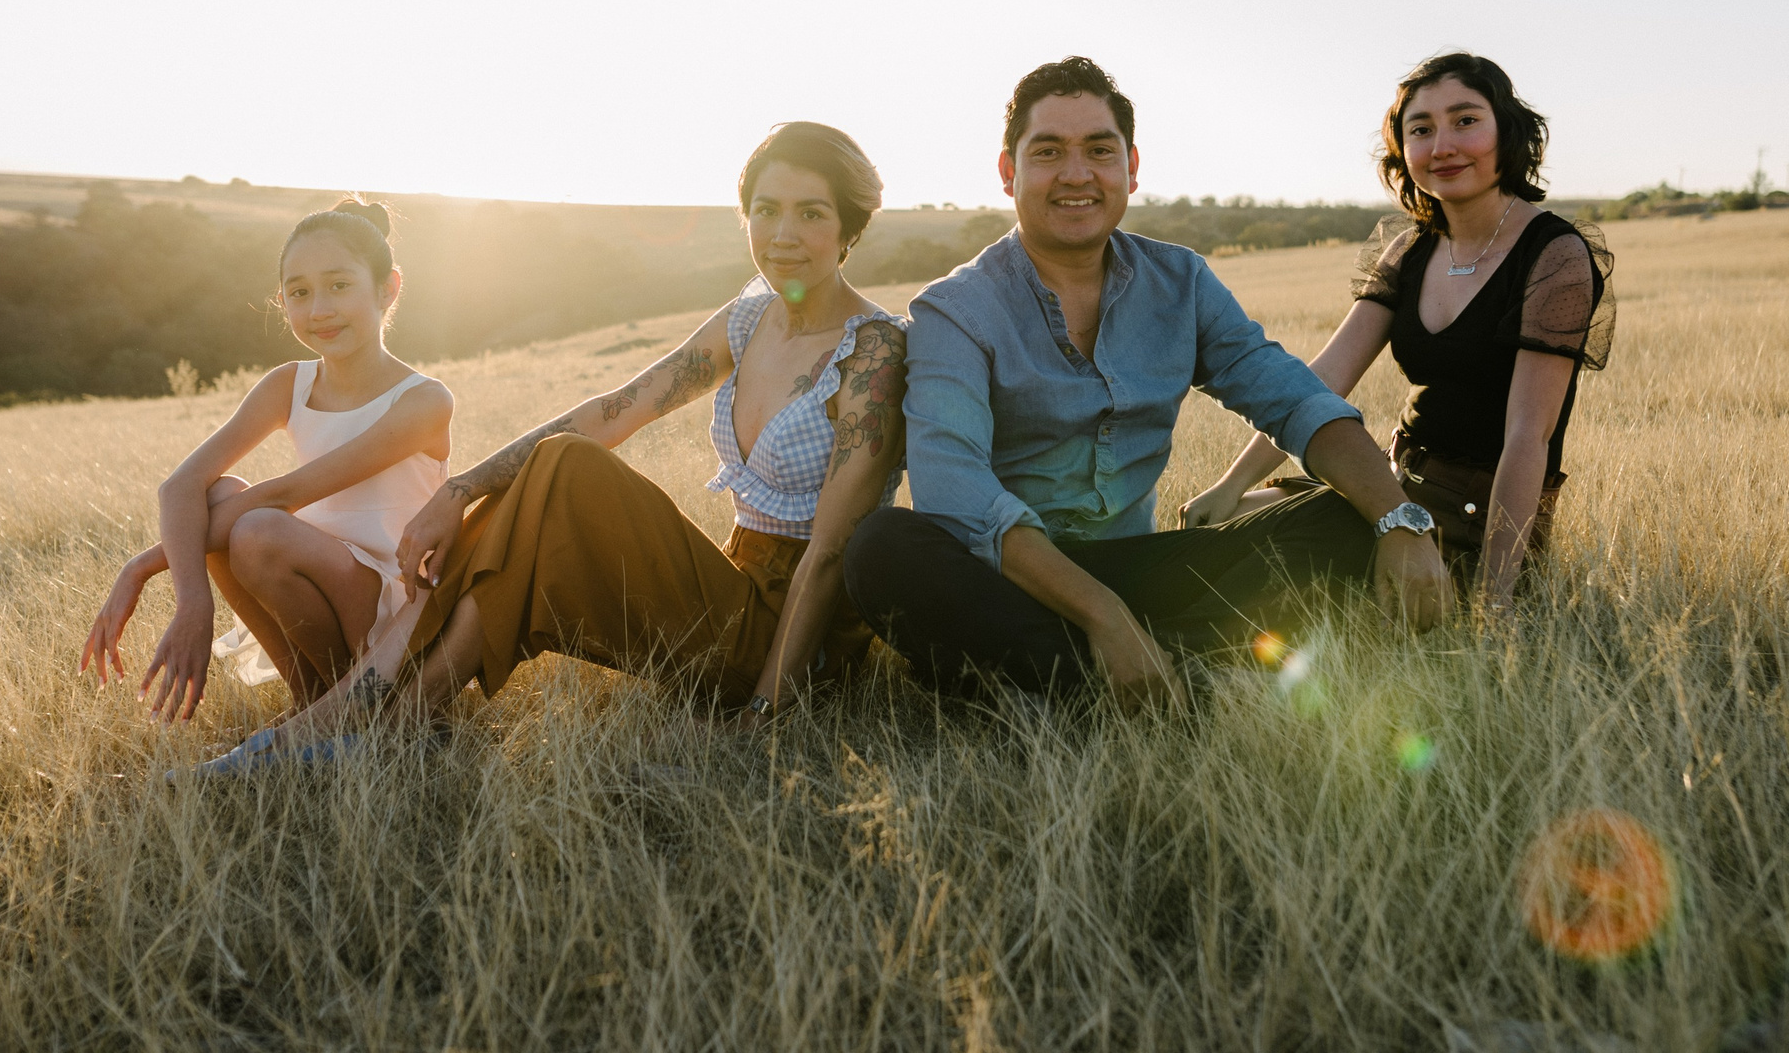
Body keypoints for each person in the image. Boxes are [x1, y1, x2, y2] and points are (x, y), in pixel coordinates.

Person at [207, 122, 907, 768]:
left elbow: (830, 554)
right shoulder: (749, 318)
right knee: (545, 483)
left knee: (565, 469)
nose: (782, 232)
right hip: (733, 588)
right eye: (766, 209)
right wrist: (459, 490)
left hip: (799, 645)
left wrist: (764, 709)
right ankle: (386, 711)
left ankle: (378, 719)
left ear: (849, 227)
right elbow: (613, 410)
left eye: (810, 212)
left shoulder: (873, 351)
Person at [841, 56, 1454, 703]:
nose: (1076, 174)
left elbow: (1294, 399)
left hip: (1142, 568)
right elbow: (953, 490)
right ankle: (1174, 677)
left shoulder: (1181, 284)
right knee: (881, 550)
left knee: (1348, 516)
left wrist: (1401, 520)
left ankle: (1054, 678)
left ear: (1131, 168)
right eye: (1048, 150)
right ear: (1007, 171)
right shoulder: (954, 310)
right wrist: (1104, 615)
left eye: (1099, 150)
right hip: (1010, 575)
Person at [1182, 52, 1612, 615]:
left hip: (1477, 513)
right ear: (1402, 150)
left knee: (1276, 567)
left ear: (1507, 130)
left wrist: (1496, 601)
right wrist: (1229, 484)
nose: (1442, 146)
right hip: (1390, 486)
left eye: (1465, 121)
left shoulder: (1553, 254)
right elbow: (1319, 383)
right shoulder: (1410, 248)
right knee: (1224, 527)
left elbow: (1527, 440)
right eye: (1421, 130)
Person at [78, 198, 454, 725]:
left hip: (400, 604)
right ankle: (313, 703)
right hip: (325, 574)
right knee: (220, 494)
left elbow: (283, 497)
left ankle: (361, 709)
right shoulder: (288, 384)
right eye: (299, 292)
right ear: (283, 302)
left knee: (258, 529)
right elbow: (179, 487)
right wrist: (193, 604)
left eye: (339, 285)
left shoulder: (423, 400)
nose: (319, 309)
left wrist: (142, 566)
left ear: (388, 288)